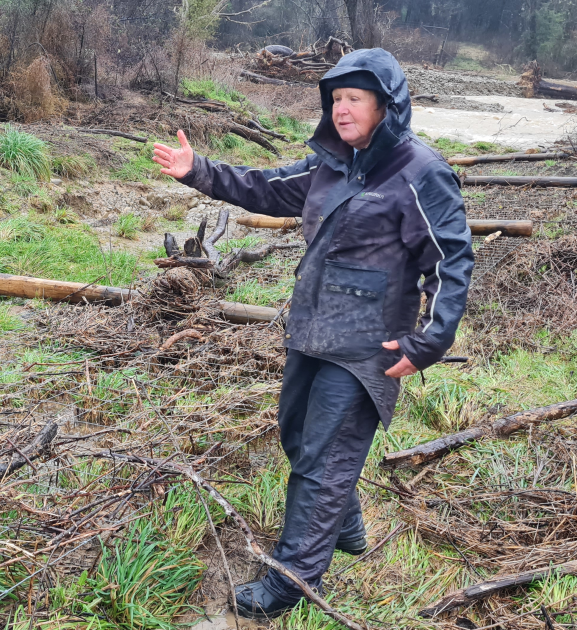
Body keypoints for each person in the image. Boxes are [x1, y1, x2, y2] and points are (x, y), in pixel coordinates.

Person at [152, 48, 473, 619]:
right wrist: (197, 170)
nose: (342, 110)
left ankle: (290, 581)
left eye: (355, 98)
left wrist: (429, 342)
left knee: (322, 466)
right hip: (311, 330)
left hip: (368, 347)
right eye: (336, 99)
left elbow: (450, 262)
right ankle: (345, 525)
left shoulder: (421, 172)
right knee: (297, 436)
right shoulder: (332, 164)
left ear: (386, 105)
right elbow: (266, 187)